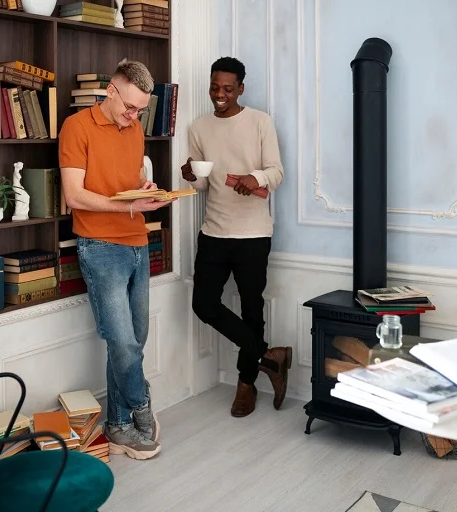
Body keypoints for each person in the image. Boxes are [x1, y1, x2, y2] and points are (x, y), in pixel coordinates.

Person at [59, 59, 171, 460]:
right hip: (100, 246)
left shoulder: (136, 127)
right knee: (122, 341)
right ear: (111, 91)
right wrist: (127, 208)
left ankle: (118, 426)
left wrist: (146, 190)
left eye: (141, 110)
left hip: (138, 242)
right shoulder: (77, 127)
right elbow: (74, 195)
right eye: (130, 107)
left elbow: (125, 186)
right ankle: (142, 409)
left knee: (133, 341)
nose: (134, 115)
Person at [182, 56, 292, 418]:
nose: (220, 94)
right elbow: (202, 182)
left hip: (253, 233)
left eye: (228, 88)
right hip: (214, 231)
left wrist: (255, 179)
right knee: (204, 304)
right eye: (215, 87)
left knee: (251, 308)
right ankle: (268, 355)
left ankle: (246, 384)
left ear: (240, 88)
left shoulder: (260, 122)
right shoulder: (198, 128)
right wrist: (189, 174)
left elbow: (276, 172)